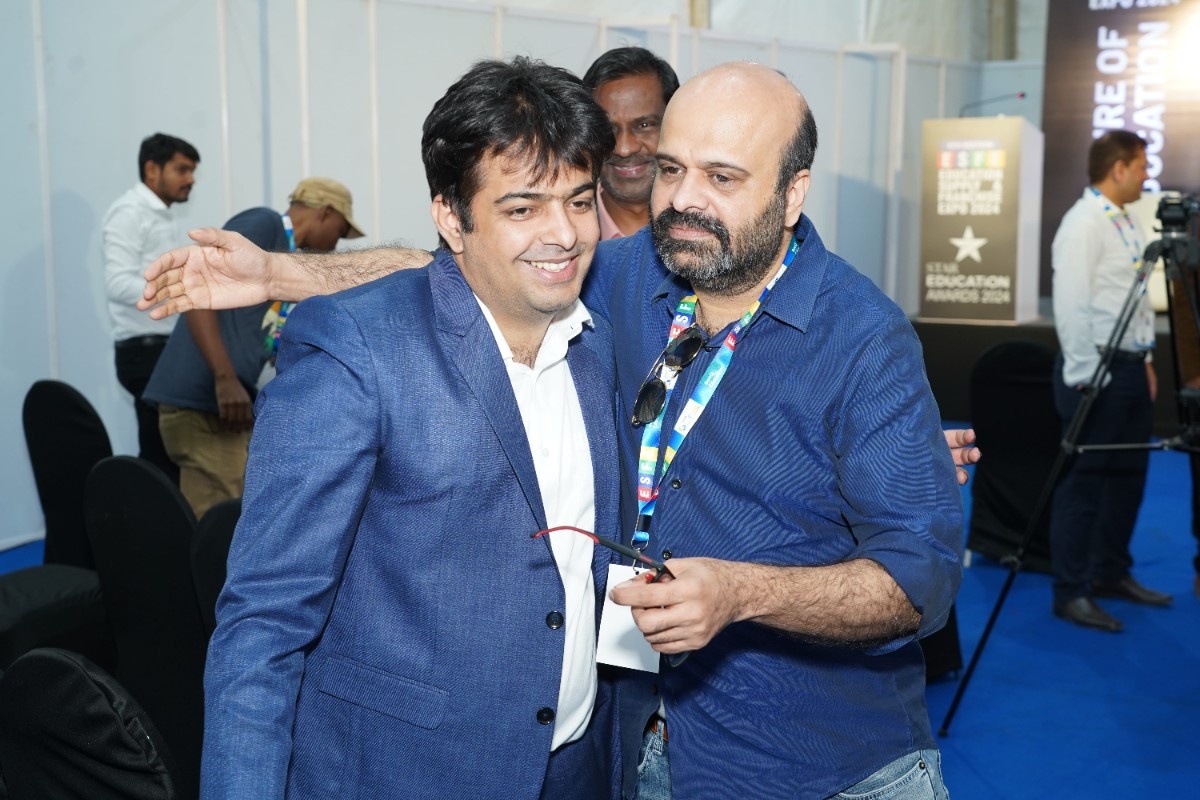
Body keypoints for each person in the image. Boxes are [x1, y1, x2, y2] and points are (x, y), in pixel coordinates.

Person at [140, 63, 966, 799]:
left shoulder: (865, 342)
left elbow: (921, 580)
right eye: (671, 169)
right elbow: (473, 265)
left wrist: (744, 592)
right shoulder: (634, 277)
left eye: (722, 176)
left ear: (792, 192)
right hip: (649, 749)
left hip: (826, 765)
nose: (685, 199)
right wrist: (283, 271)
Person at [198, 58, 623, 799]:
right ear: (452, 217)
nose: (563, 234)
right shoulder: (357, 349)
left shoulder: (596, 344)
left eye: (579, 202)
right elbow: (263, 625)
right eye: (523, 209)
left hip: (574, 766)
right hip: (405, 773)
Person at [142, 177, 362, 518]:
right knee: (221, 526)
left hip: (224, 410)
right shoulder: (265, 224)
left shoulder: (284, 261)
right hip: (202, 406)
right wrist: (225, 378)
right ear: (326, 212)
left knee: (230, 517)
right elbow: (196, 289)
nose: (336, 244)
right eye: (341, 231)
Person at [1049, 130, 1172, 633]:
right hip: (1094, 371)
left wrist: (1145, 361)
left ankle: (1110, 573)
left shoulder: (1124, 219)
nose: (1146, 175)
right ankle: (1070, 591)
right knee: (1084, 484)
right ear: (1117, 169)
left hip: (1129, 367)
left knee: (1127, 478)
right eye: (1141, 166)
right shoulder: (1082, 223)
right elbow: (1071, 304)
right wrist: (1084, 374)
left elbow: (1134, 300)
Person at [102, 132, 200, 482]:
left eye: (192, 171)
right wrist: (179, 287)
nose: (191, 179)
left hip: (161, 349)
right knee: (160, 458)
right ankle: (149, 516)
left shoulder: (162, 214)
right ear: (152, 170)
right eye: (182, 169)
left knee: (168, 453)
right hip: (143, 352)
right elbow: (117, 284)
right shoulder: (129, 212)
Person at [582, 47, 679, 239]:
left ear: (676, 124)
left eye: (644, 125)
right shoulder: (565, 234)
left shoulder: (713, 227)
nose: (624, 149)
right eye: (608, 128)